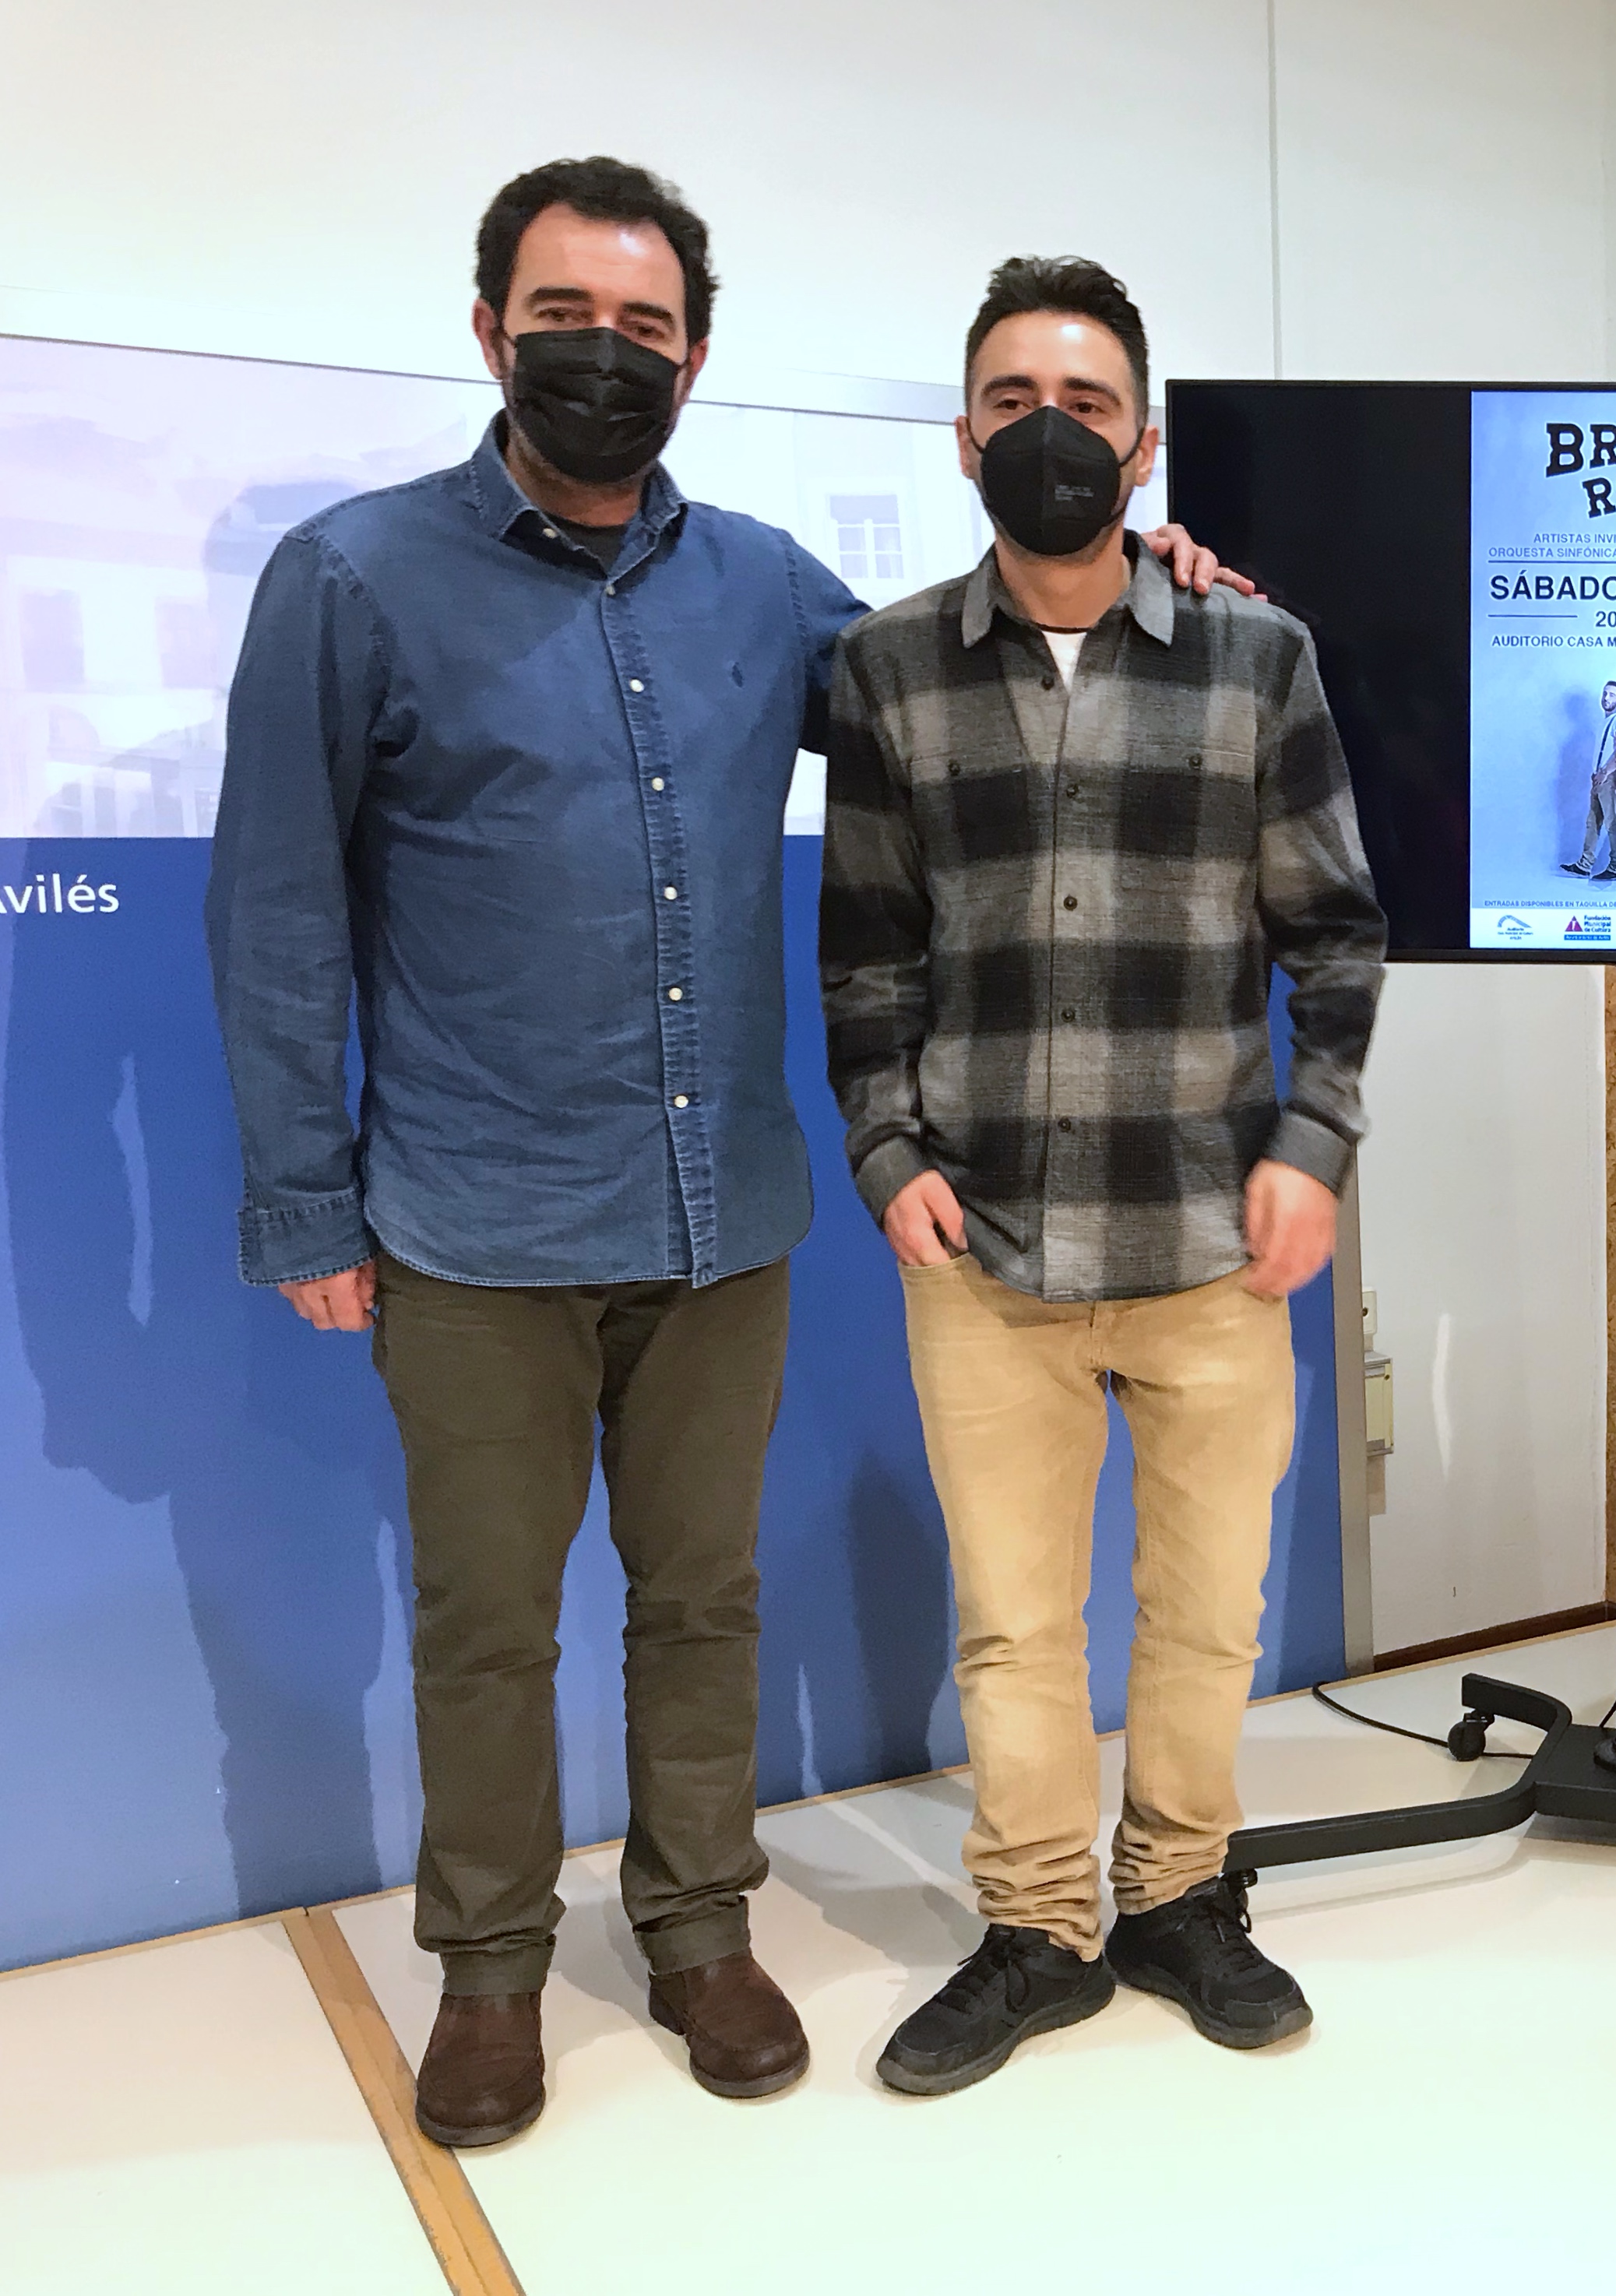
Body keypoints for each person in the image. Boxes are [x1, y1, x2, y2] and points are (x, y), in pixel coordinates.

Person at [206, 159, 1238, 2151]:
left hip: (718, 1217)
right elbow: (274, 912)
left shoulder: (764, 584)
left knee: (702, 1601)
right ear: (491, 329)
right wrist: (303, 1198)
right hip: (473, 1221)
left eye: (645, 327)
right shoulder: (349, 581)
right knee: (489, 1625)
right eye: (564, 319)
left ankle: (695, 1931)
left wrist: (1140, 564)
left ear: (694, 357)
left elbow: (967, 678)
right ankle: (490, 1971)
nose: (604, 355)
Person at [822, 256, 1385, 2097]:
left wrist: (1313, 1145)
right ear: (961, 434)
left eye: (1083, 405)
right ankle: (1039, 1929)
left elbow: (1336, 933)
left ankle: (1180, 1898)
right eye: (1011, 402)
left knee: (1208, 1614)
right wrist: (885, 1148)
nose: (1046, 432)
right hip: (981, 1251)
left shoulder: (1256, 656)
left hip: (1213, 1242)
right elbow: (866, 953)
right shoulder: (886, 667)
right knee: (1016, 1627)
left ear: (1142, 445)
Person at [1564, 677, 1616, 877]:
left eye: (1612, 695)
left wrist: (1604, 772)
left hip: (1609, 778)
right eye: (1605, 693)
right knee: (1593, 822)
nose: (1606, 698)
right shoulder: (1605, 722)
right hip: (1599, 778)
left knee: (1612, 823)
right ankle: (1585, 864)